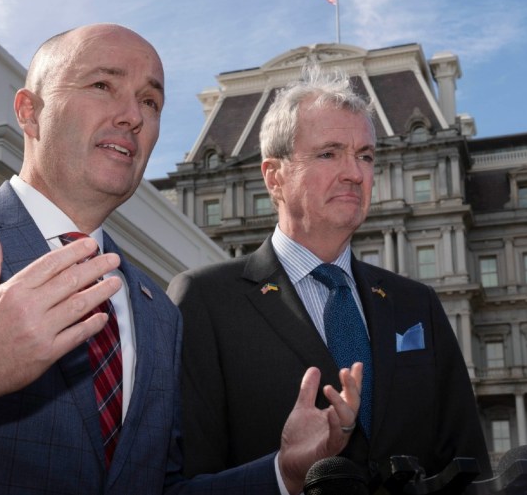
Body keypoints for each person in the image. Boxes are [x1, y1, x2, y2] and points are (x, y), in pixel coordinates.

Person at [0, 24, 363, 495]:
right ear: (28, 112)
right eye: (103, 86)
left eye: (151, 100)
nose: (133, 115)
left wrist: (283, 473)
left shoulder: (157, 311)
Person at [168, 65, 491, 486]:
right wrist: (283, 475)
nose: (355, 173)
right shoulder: (205, 301)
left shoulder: (417, 305)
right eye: (329, 153)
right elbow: (180, 483)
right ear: (274, 177)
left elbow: (468, 466)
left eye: (365, 156)